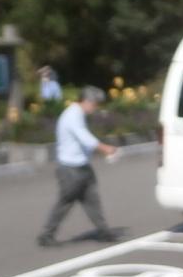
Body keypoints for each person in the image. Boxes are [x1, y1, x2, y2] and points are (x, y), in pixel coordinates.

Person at [36, 85, 123, 247]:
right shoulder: (72, 115)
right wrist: (106, 149)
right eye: (95, 104)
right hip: (70, 168)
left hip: (81, 166)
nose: (96, 107)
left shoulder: (78, 114)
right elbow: (84, 138)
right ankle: (46, 235)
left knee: (92, 200)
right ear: (87, 101)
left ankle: (104, 232)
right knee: (65, 202)